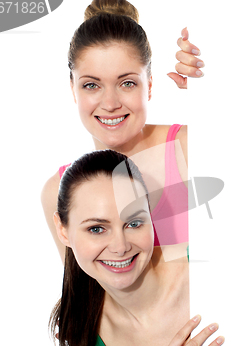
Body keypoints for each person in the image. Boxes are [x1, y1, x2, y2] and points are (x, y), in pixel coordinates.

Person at [51, 150, 223, 346]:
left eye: (133, 223)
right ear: (63, 230)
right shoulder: (90, 336)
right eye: (96, 229)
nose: (120, 247)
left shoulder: (206, 268)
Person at [42, 0, 201, 263]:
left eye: (127, 83)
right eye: (92, 85)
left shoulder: (188, 147)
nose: (110, 104)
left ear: (149, 85)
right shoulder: (58, 190)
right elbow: (84, 296)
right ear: (73, 89)